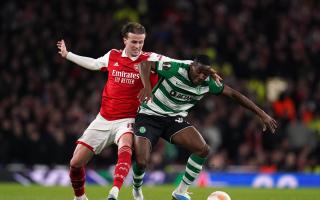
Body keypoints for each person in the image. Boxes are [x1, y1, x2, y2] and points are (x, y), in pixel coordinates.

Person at [56, 22, 177, 200]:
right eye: (134, 42)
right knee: (75, 163)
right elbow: (95, 63)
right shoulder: (113, 55)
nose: (137, 46)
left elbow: (179, 64)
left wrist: (201, 68)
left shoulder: (150, 59)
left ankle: (114, 191)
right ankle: (80, 197)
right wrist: (68, 55)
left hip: (128, 119)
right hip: (103, 119)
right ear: (125, 40)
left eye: (141, 42)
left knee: (125, 147)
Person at [132, 55, 278, 200]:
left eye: (205, 73)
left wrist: (262, 114)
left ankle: (180, 192)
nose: (202, 76)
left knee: (203, 149)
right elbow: (145, 64)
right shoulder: (176, 68)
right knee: (142, 161)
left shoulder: (209, 82)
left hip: (173, 120)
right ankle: (137, 189)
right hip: (149, 115)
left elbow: (234, 94)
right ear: (192, 66)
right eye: (199, 71)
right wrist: (146, 87)